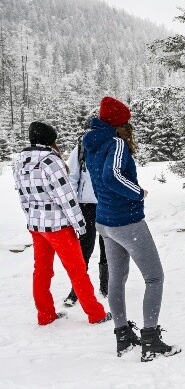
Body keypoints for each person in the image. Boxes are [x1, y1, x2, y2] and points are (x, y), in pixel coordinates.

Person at [83, 96, 181, 362]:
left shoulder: (91, 140)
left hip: (104, 220)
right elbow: (111, 176)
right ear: (119, 122)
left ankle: (123, 336)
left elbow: (100, 177)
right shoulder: (115, 142)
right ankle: (151, 340)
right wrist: (137, 192)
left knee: (117, 280)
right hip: (126, 221)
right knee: (154, 278)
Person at [12, 121, 111, 326]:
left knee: (42, 271)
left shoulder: (20, 161)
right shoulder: (50, 161)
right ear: (50, 140)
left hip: (36, 226)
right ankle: (96, 313)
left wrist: (32, 219)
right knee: (77, 270)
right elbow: (66, 198)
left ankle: (45, 315)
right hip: (58, 227)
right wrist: (80, 224)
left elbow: (23, 198)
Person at [63, 129, 109, 307]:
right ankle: (77, 289)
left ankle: (106, 286)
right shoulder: (81, 147)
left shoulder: (113, 144)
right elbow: (72, 177)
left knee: (108, 246)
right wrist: (73, 206)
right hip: (86, 206)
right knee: (84, 248)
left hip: (106, 203)